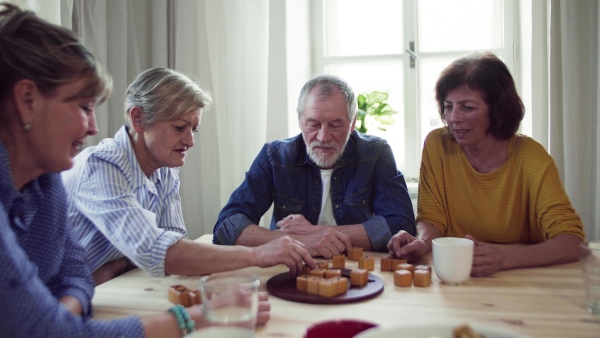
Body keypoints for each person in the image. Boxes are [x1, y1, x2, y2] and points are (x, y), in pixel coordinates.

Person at [0, 3, 273, 336]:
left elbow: (76, 275)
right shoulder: (99, 165)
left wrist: (62, 313)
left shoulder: (46, 181)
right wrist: (203, 313)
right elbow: (162, 254)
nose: (93, 127)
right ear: (27, 100)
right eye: (83, 106)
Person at [62, 67, 315, 285]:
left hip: (108, 288)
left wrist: (118, 266)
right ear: (138, 119)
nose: (190, 141)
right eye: (179, 128)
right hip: (65, 306)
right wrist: (258, 254)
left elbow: (174, 245)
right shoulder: (101, 166)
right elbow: (164, 254)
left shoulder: (166, 166)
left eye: (193, 129)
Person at [387, 52, 585, 277]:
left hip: (521, 277)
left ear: (497, 109)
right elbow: (432, 218)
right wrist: (421, 241)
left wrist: (503, 258)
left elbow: (571, 242)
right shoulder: (437, 145)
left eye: (467, 107)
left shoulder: (531, 157)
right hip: (459, 275)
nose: (453, 118)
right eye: (448, 106)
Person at [213, 74, 416, 258]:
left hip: (356, 269)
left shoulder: (376, 153)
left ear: (353, 123)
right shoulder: (275, 157)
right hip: (289, 267)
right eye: (313, 124)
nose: (323, 137)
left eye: (335, 125)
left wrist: (319, 233)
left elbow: (402, 223)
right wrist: (302, 241)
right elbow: (227, 226)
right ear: (300, 121)